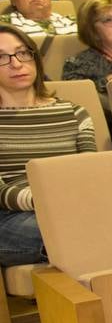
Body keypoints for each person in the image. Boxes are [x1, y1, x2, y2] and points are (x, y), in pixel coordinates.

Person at [0, 25, 97, 265]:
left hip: (73, 208)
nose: (16, 63)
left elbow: (89, 171)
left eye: (23, 53)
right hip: (12, 217)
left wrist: (71, 202)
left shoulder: (75, 113)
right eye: (1, 57)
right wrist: (46, 200)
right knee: (75, 230)